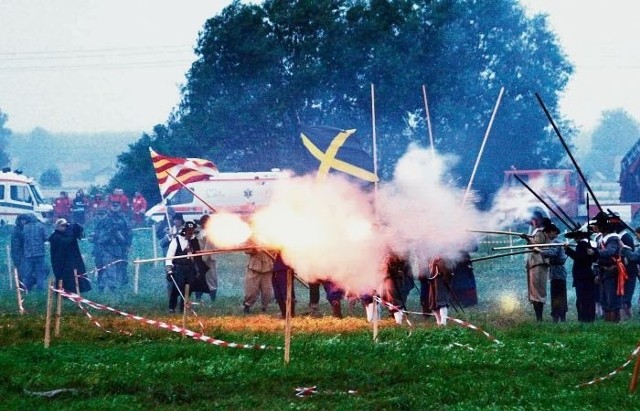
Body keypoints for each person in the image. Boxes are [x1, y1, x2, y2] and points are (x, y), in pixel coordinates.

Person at [164, 221, 208, 313]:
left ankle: (182, 308)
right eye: (188, 231)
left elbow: (198, 256)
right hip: (179, 268)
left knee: (188, 289)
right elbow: (170, 255)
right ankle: (172, 308)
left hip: (190, 268)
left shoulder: (194, 240)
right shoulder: (176, 240)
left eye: (191, 231)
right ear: (184, 230)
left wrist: (198, 269)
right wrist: (169, 267)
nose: (189, 233)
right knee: (176, 289)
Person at [592, 212, 623, 323]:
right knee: (604, 299)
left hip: (612, 270)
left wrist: (595, 252)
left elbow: (610, 251)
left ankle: (614, 323)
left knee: (612, 299)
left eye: (598, 225)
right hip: (602, 270)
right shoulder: (600, 238)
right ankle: (607, 323)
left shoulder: (613, 238)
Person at [48, 218, 91, 293]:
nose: (65, 227)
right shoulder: (54, 236)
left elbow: (79, 236)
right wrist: (72, 236)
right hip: (60, 263)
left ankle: (74, 294)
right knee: (63, 279)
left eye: (66, 225)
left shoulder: (66, 234)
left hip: (69, 261)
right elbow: (64, 242)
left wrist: (76, 231)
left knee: (73, 278)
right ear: (57, 226)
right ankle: (64, 296)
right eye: (63, 225)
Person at [523, 211, 550, 322]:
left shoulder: (541, 232)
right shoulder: (537, 231)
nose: (533, 222)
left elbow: (536, 246)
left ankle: (540, 318)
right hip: (534, 264)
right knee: (534, 292)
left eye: (534, 219)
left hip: (539, 263)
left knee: (538, 292)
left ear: (539, 220)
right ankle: (538, 317)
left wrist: (527, 239)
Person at [565, 229, 597, 322]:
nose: (575, 239)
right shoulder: (588, 244)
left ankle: (585, 319)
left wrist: (568, 250)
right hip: (586, 276)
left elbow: (579, 258)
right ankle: (588, 318)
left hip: (583, 276)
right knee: (587, 300)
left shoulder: (582, 245)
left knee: (583, 300)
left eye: (576, 237)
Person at [539, 224, 568, 322]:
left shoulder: (556, 242)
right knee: (561, 296)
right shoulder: (558, 242)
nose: (547, 235)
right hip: (559, 273)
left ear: (554, 232)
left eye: (548, 232)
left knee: (556, 296)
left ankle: (557, 316)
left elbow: (553, 253)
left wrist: (539, 251)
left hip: (557, 273)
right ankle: (561, 316)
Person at [381, 250, 414, 324]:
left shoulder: (404, 258)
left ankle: (398, 321)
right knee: (393, 300)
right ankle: (395, 318)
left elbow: (407, 270)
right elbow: (385, 269)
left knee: (397, 301)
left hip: (400, 281)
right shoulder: (388, 257)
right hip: (391, 280)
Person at [20, 214, 49, 291]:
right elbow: (46, 238)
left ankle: (26, 290)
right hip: (40, 253)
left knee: (28, 274)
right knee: (40, 273)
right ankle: (40, 290)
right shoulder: (41, 226)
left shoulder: (25, 228)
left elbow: (23, 239)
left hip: (28, 254)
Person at [194, 214, 218, 304]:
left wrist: (202, 259)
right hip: (201, 259)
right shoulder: (202, 232)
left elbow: (208, 248)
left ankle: (213, 302)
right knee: (199, 279)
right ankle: (198, 300)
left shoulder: (210, 233)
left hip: (208, 260)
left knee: (211, 280)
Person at [243, 249, 275, 314]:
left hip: (268, 268)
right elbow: (246, 250)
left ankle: (265, 307)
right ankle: (247, 305)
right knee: (251, 289)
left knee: (267, 291)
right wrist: (254, 249)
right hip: (254, 268)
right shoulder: (252, 238)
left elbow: (277, 249)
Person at [272, 251, 296, 318]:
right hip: (276, 270)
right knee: (278, 294)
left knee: (287, 293)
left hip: (285, 269)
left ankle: (290, 314)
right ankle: (284, 313)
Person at [10, 214, 30, 287]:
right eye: (22, 220)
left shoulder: (22, 228)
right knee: (20, 271)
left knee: (23, 271)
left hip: (22, 253)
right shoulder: (17, 230)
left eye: (25, 220)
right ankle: (20, 287)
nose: (24, 221)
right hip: (18, 253)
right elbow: (16, 244)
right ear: (19, 220)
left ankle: (23, 286)